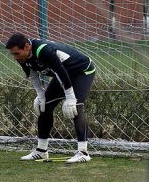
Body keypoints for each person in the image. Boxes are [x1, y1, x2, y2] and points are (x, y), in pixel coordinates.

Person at [5, 33, 95, 163]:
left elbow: (60, 72)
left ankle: (83, 152)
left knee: (75, 106)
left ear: (27, 46)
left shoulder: (44, 50)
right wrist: (41, 96)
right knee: (45, 106)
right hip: (63, 75)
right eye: (12, 54)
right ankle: (41, 151)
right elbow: (33, 76)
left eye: (16, 53)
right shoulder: (22, 57)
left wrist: (70, 98)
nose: (14, 57)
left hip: (82, 71)